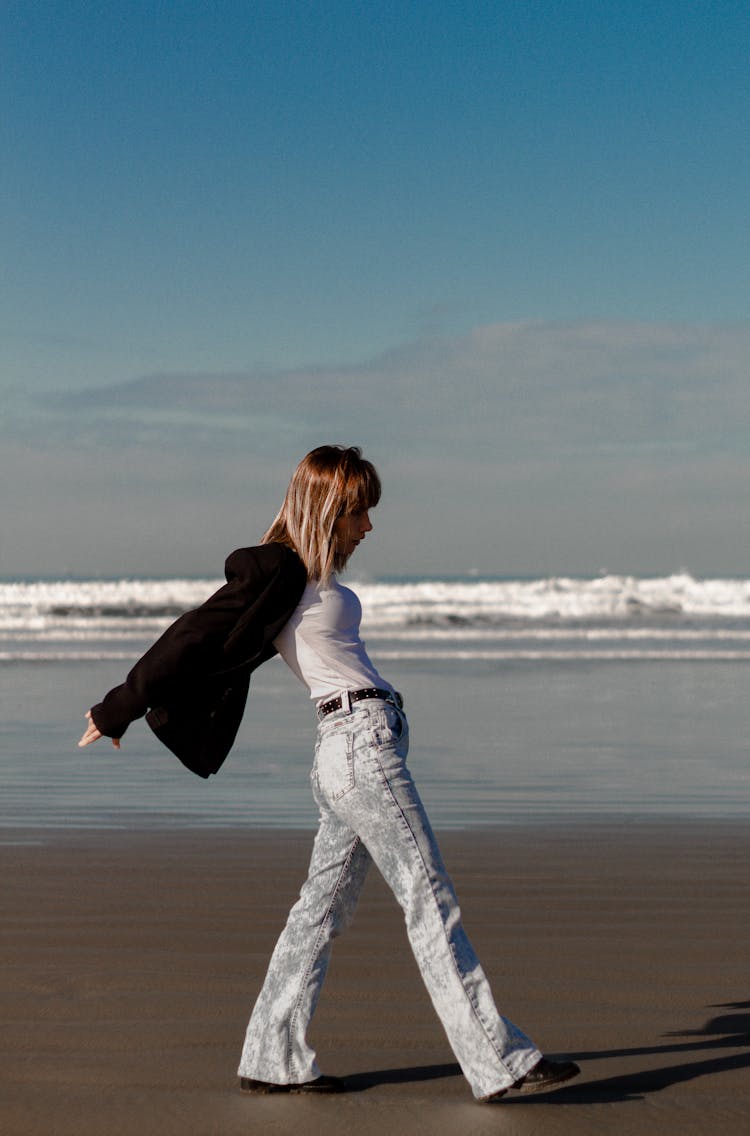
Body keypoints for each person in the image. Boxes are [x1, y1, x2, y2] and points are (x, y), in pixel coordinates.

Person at [79, 444, 580, 1103]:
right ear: (331, 507)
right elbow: (191, 635)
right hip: (357, 749)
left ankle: (273, 1054)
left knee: (320, 910)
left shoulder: (305, 574)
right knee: (429, 897)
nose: (368, 528)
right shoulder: (277, 570)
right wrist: (118, 707)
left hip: (354, 750)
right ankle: (497, 1059)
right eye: (360, 512)